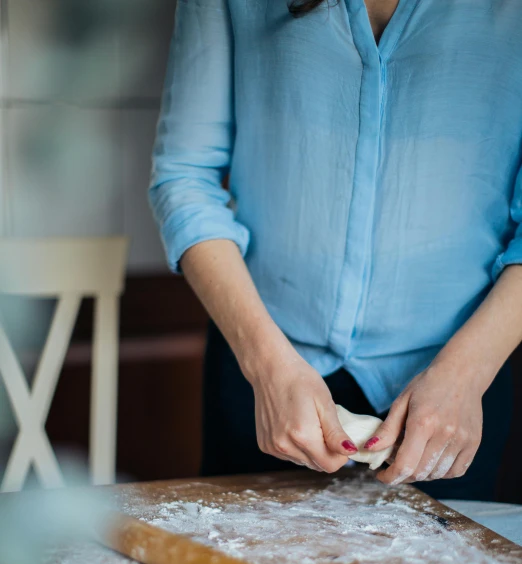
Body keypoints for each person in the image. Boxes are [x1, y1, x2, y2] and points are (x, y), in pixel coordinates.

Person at [149, 0, 522, 501]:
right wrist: (266, 364)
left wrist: (466, 372)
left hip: (457, 385)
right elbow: (184, 176)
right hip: (265, 365)